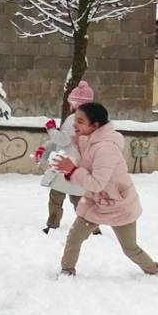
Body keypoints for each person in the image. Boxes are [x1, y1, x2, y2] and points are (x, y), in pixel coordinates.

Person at [52, 102, 158, 277]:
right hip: (94, 203)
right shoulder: (86, 141)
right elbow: (88, 170)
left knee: (130, 248)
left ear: (95, 125)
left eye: (80, 121)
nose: (75, 125)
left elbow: (97, 183)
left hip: (118, 205)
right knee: (74, 237)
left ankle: (155, 271)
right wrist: (69, 168)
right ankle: (67, 271)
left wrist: (72, 171)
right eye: (76, 120)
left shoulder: (106, 148)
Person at [35, 80, 98, 234]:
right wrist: (46, 145)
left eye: (71, 101)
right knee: (79, 198)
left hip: (67, 165)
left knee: (56, 197)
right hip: (80, 165)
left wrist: (51, 129)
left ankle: (53, 224)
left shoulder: (74, 119)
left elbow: (63, 140)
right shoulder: (91, 120)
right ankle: (92, 227)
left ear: (75, 103)